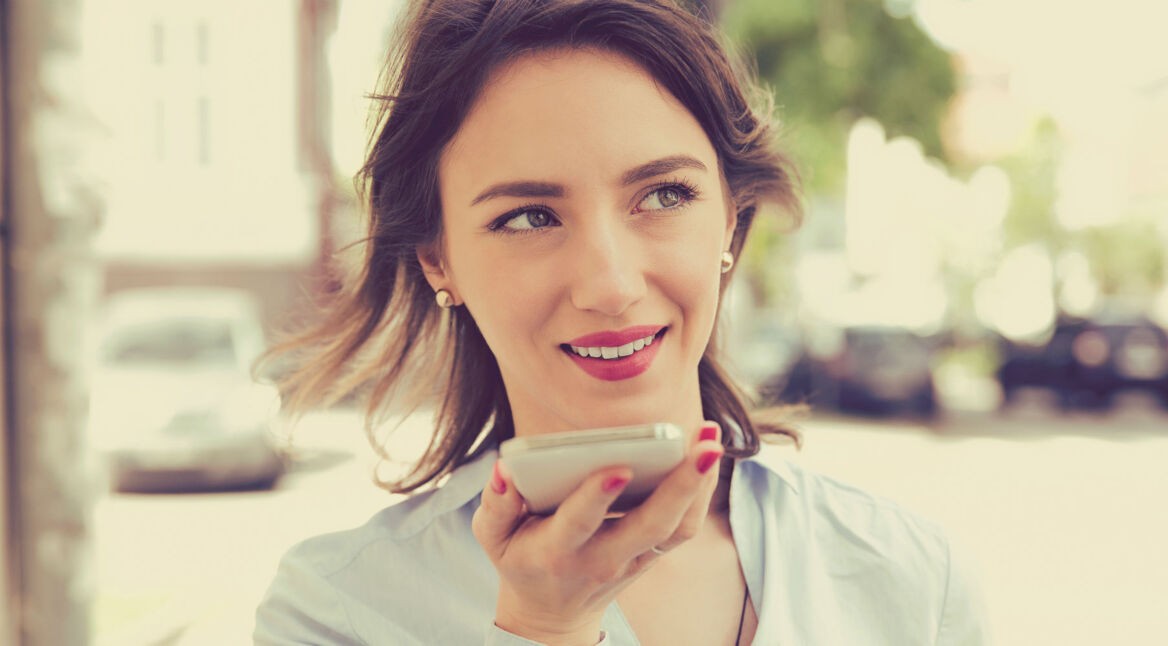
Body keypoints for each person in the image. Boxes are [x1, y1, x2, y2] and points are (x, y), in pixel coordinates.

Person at [254, 1, 988, 644]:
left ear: (730, 223)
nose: (610, 285)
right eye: (530, 216)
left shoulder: (910, 577)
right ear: (438, 260)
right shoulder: (337, 612)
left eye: (665, 196)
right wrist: (543, 632)